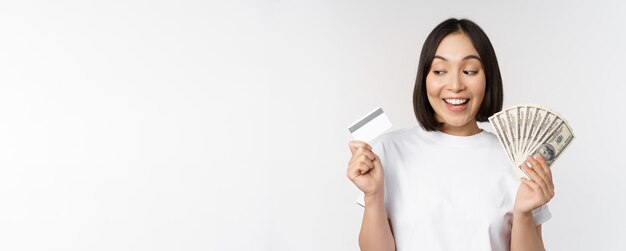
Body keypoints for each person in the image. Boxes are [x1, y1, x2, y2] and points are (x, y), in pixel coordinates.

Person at [347, 18, 555, 251]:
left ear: (488, 79)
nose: (455, 85)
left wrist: (524, 215)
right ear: (424, 78)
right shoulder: (389, 149)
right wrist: (373, 195)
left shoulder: (518, 160)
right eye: (439, 71)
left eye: (469, 71)